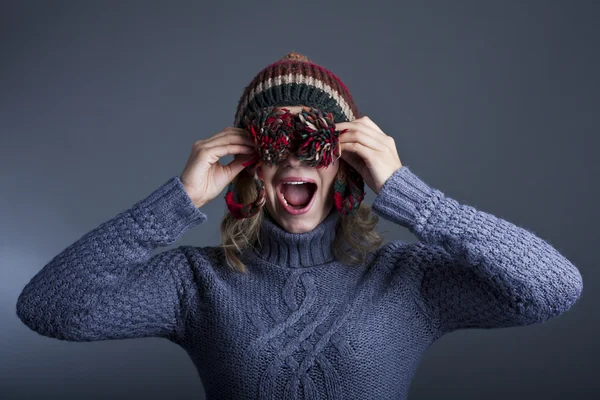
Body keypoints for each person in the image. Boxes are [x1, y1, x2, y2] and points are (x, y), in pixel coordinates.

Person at [16, 51, 584, 400]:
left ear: (347, 160)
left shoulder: (408, 281)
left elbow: (553, 288)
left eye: (314, 141)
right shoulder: (196, 284)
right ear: (249, 165)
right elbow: (49, 309)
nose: (295, 158)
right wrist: (180, 197)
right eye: (273, 142)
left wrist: (411, 195)